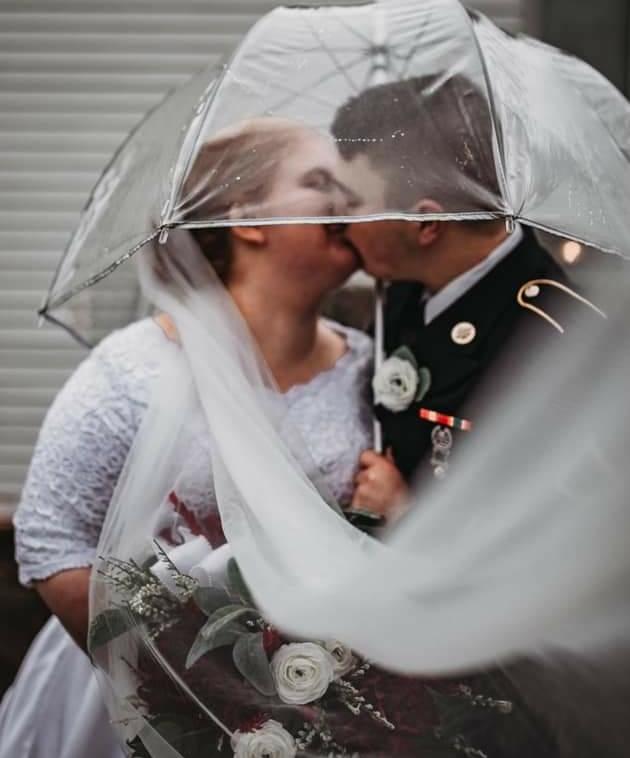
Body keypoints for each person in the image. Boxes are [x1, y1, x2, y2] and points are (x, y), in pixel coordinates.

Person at [0, 118, 386, 758]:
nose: (349, 202)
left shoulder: (372, 369)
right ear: (247, 220)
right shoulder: (132, 369)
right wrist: (176, 686)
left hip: (328, 693)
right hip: (136, 709)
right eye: (321, 182)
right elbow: (50, 541)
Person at [332, 74, 606, 518]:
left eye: (353, 204)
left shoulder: (559, 335)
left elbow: (573, 523)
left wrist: (406, 514)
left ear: (425, 224)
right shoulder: (402, 292)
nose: (340, 222)